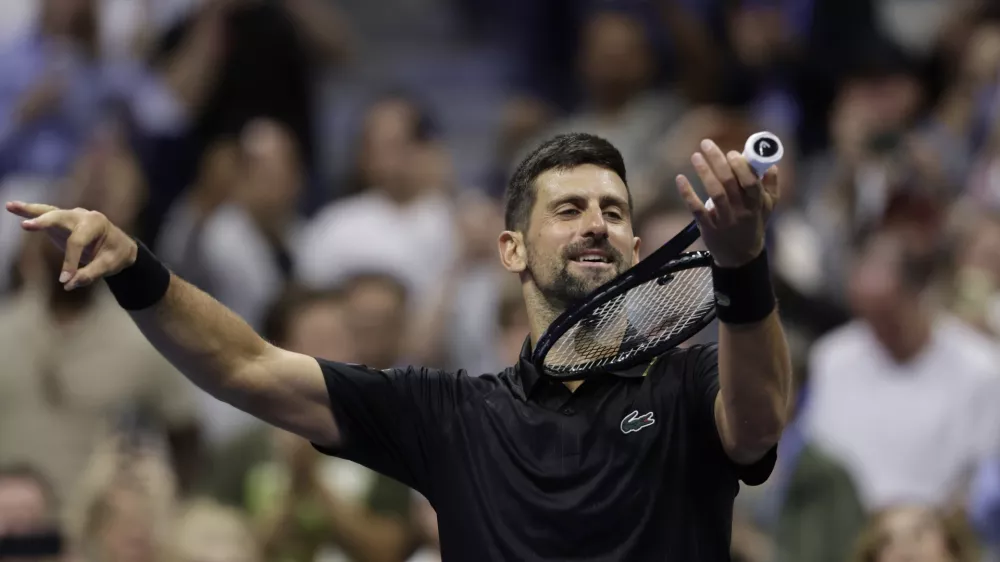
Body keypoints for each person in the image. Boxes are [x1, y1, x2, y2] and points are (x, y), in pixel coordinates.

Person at [5, 132, 792, 560]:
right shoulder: (452, 413)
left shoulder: (691, 382)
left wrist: (742, 262)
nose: (598, 223)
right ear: (512, 250)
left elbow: (757, 423)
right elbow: (247, 366)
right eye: (571, 208)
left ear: (631, 244)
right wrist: (136, 266)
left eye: (615, 212)